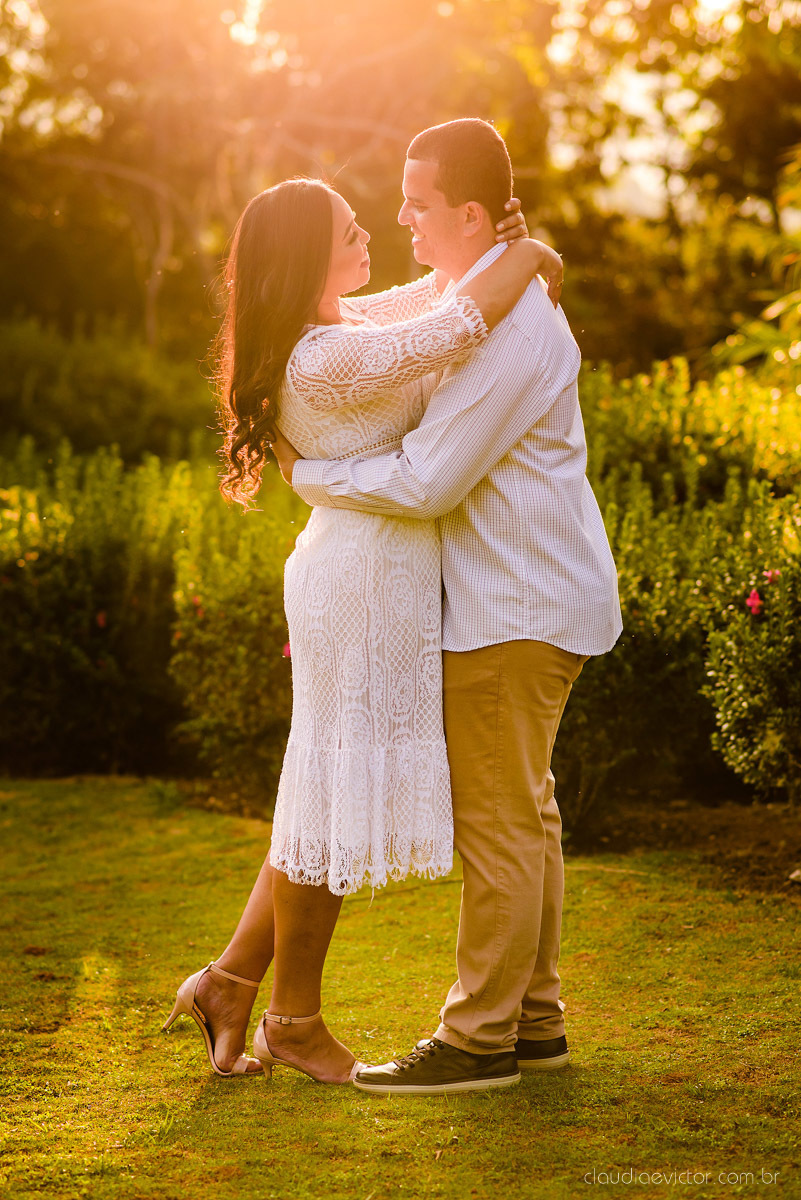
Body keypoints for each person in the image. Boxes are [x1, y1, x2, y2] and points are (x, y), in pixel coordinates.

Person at [162, 172, 564, 1084]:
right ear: (310, 253)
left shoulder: (343, 325)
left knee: (325, 791)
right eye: (349, 227)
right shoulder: (326, 356)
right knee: (330, 792)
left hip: (370, 568)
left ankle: (233, 985)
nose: (371, 231)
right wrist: (533, 255)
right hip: (360, 579)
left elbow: (436, 293)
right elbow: (457, 322)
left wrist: (498, 240)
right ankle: (292, 1021)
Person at [271, 118, 623, 1096]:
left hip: (512, 608)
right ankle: (536, 1020)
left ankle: (476, 1040)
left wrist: (317, 477)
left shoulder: (509, 324)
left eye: (419, 204)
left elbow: (427, 482)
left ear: (468, 212)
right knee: (531, 813)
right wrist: (527, 252)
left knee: (502, 821)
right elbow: (394, 320)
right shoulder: (488, 296)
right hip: (524, 596)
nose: (403, 220)